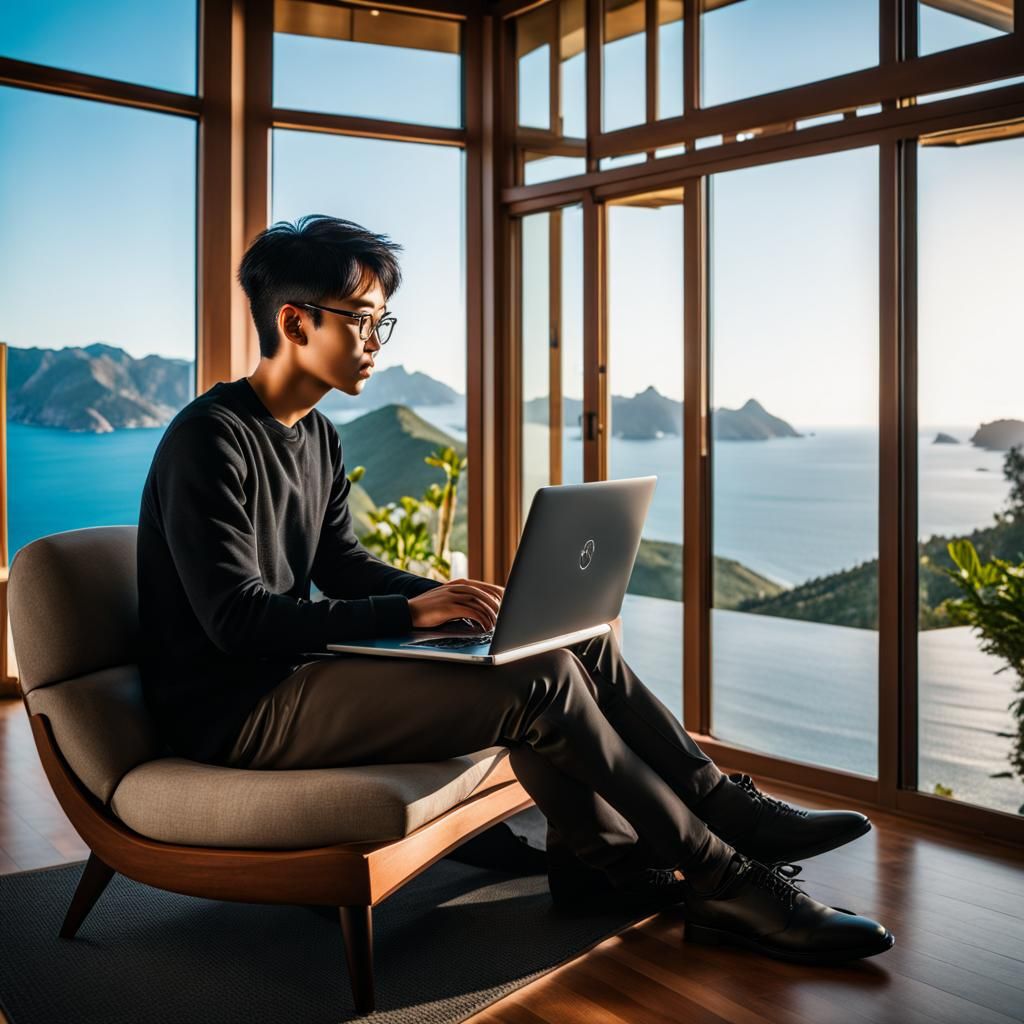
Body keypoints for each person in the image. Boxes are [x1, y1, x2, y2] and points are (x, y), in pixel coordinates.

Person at [137, 214, 895, 966]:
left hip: (297, 678)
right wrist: (408, 611)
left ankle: (661, 838)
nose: (375, 341)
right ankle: (725, 878)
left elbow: (340, 564)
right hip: (237, 712)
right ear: (294, 321)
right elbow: (235, 622)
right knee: (538, 684)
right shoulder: (209, 439)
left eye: (381, 323)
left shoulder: (319, 437)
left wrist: (454, 596)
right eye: (362, 322)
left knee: (571, 635)